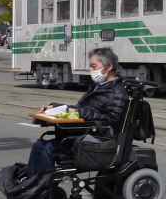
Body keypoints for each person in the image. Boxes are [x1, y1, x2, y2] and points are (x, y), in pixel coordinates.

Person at [25, 48, 129, 178]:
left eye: (94, 66)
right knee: (39, 145)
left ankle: (43, 189)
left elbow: (111, 120)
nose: (91, 70)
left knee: (49, 148)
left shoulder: (117, 92)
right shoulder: (98, 86)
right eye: (90, 67)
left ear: (109, 66)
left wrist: (78, 112)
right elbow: (79, 109)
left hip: (95, 137)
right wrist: (54, 107)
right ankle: (32, 185)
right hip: (82, 133)